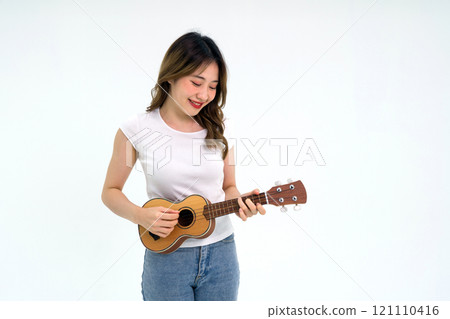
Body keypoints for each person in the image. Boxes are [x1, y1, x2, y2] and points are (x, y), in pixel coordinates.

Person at [101, 31, 265, 301]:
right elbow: (110, 190)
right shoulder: (137, 129)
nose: (205, 94)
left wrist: (240, 202)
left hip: (222, 253)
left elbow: (229, 186)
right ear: (172, 75)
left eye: (213, 86)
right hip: (167, 258)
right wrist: (141, 217)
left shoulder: (220, 128)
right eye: (196, 82)